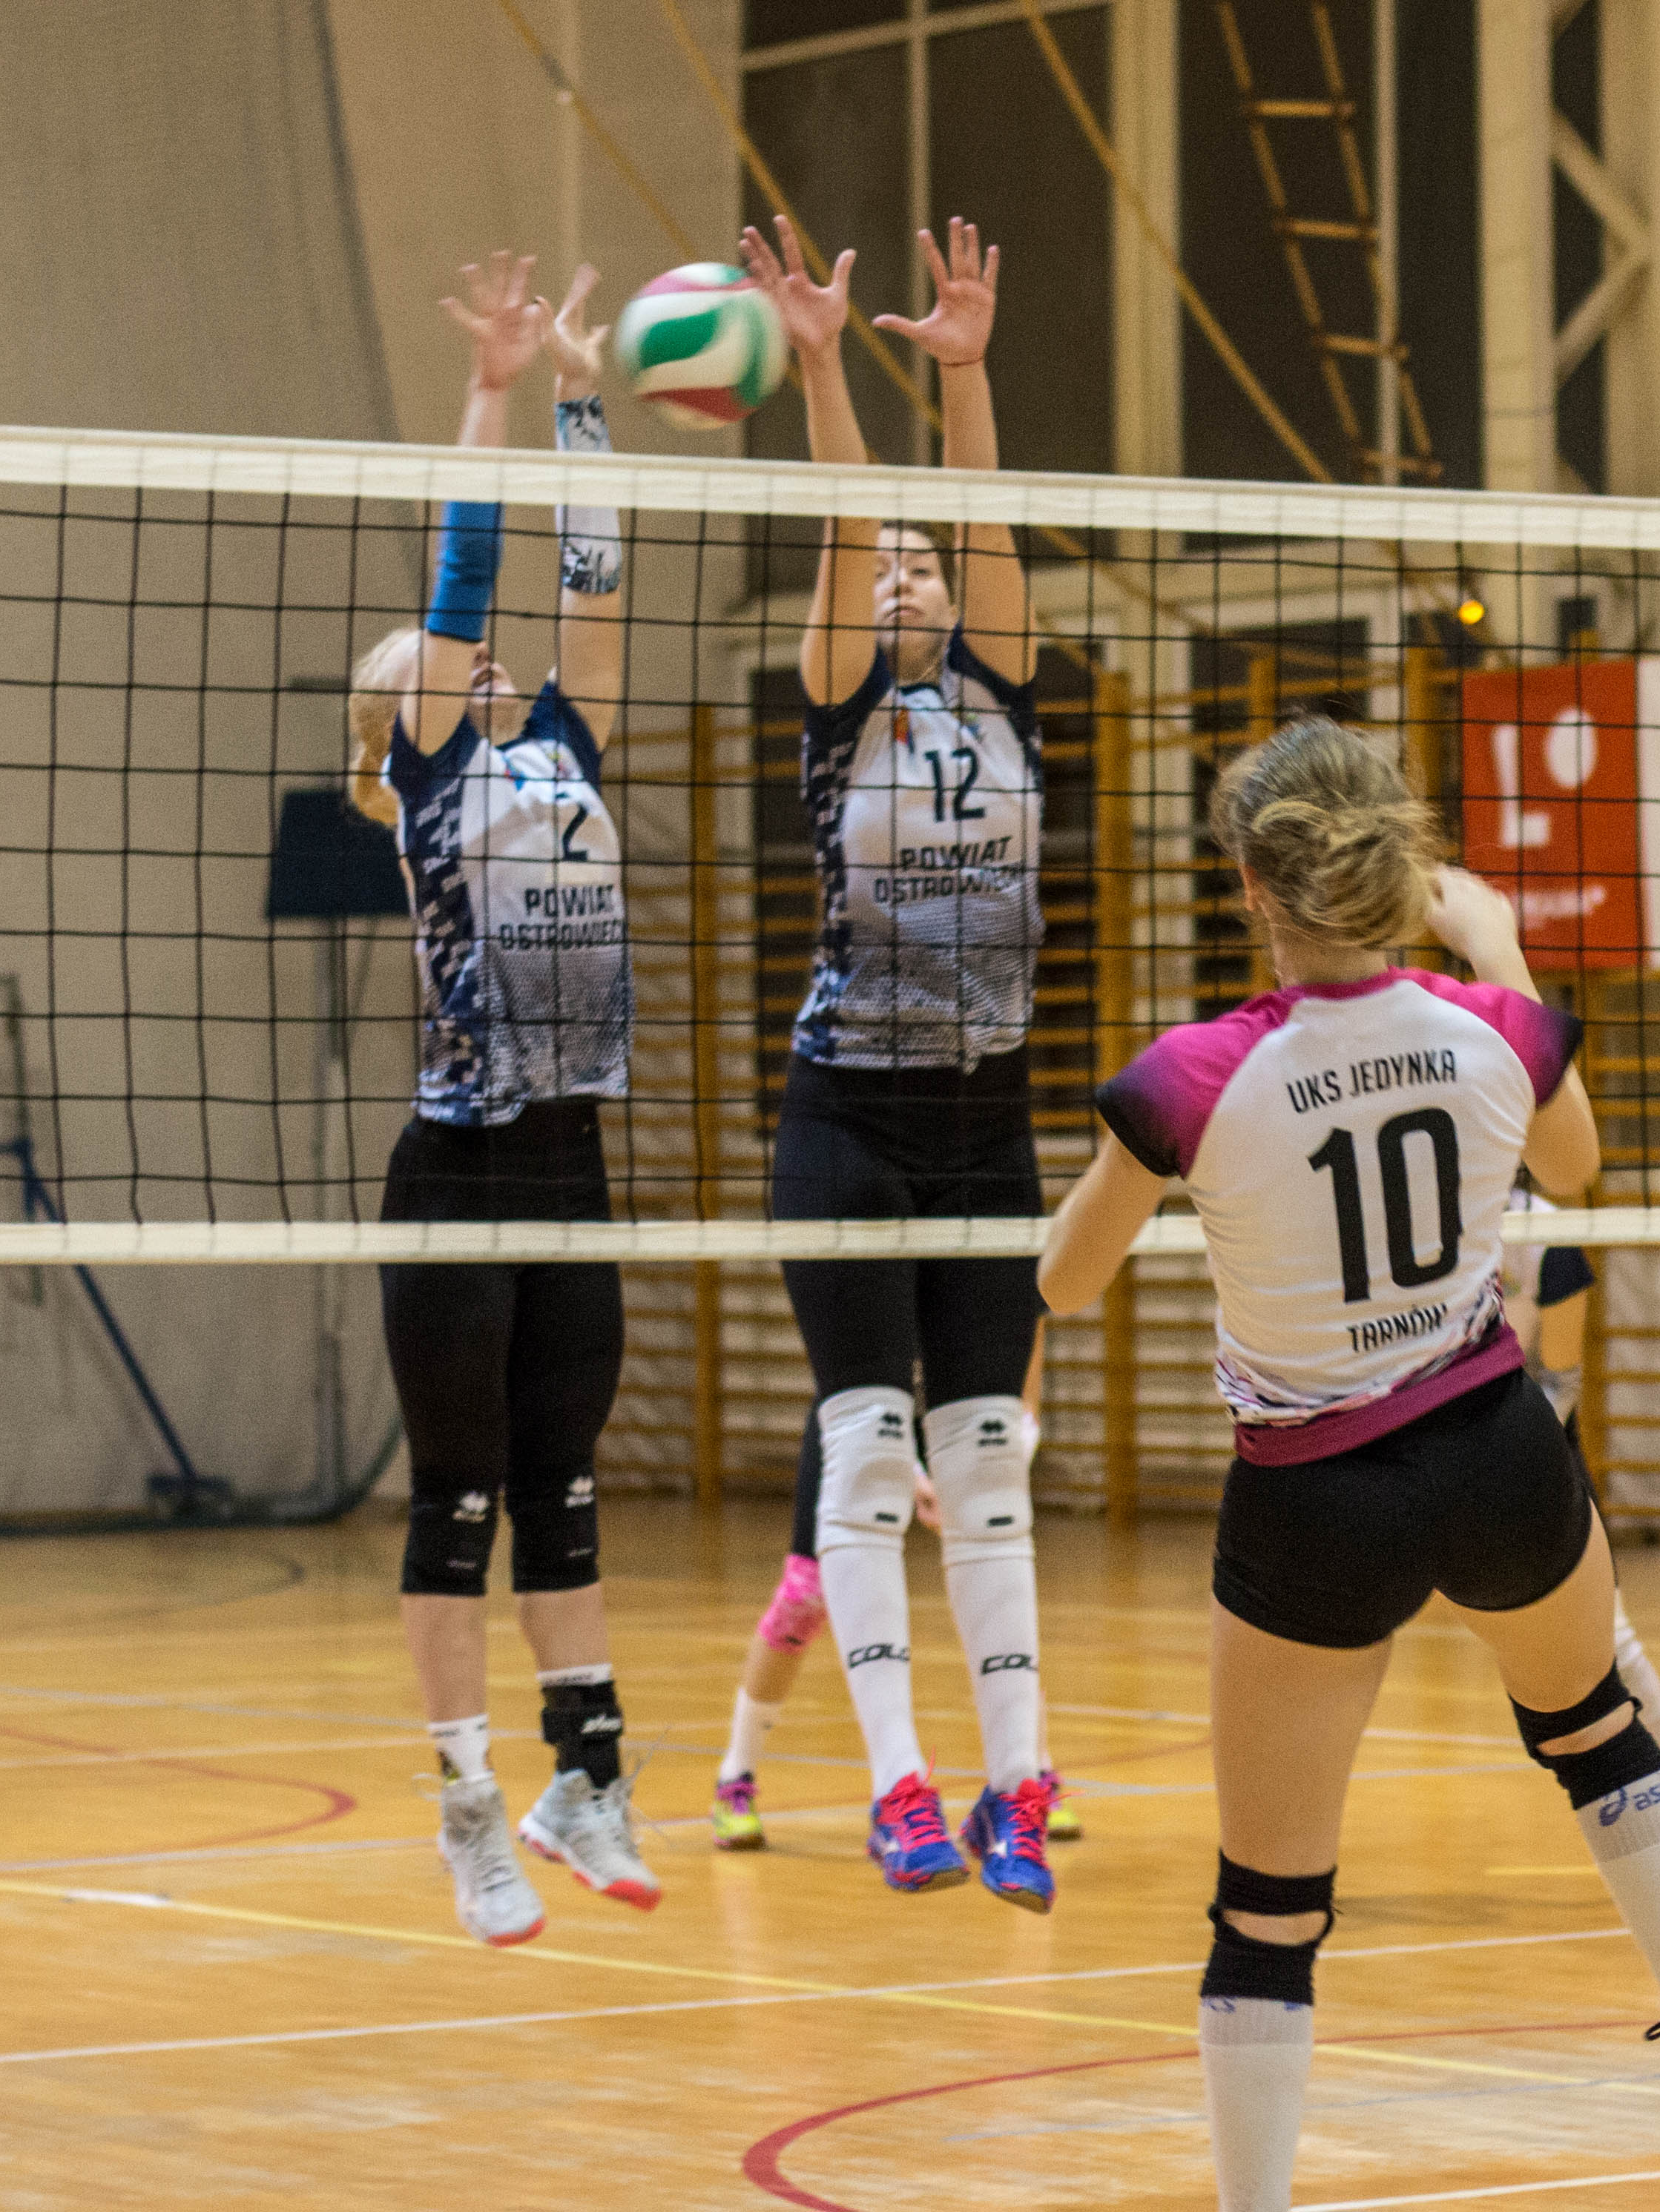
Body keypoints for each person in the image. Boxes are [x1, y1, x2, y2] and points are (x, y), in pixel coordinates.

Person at [1040, 719, 1660, 2212]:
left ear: (1250, 885)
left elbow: (1065, 1280)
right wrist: (1496, 942)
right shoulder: (1493, 1025)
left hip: (1315, 1495)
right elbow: (1574, 1169)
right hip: (1497, 1448)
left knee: (1270, 1901)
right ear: (1404, 872)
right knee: (1593, 1724)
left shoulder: (1192, 1074)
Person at [729, 214, 1058, 1906]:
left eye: (925, 564)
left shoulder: (1006, 688)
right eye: (888, 565)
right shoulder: (838, 706)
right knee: (866, 1460)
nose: (905, 573)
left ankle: (1019, 1786)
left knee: (988, 1470)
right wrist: (821, 367)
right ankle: (898, 1786)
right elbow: (848, 526)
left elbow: (982, 520)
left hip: (988, 1128)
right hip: (846, 1123)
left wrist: (969, 371)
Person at [343, 251, 654, 1947]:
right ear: (390, 721)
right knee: (457, 1503)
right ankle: (469, 1807)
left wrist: (583, 400)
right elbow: (466, 568)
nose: (467, 660)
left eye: (465, 658)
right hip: (456, 1173)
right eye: (431, 662)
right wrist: (488, 389)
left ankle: (584, 1778)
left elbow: (593, 584)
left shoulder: (566, 747)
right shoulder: (429, 776)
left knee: (567, 1491)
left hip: (572, 1168)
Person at [711, 1349, 1081, 1848]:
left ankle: (1032, 1769)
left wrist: (1020, 1430)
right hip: (862, 1413)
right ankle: (736, 1774)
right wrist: (907, 1468)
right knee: (806, 1596)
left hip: (965, 1410)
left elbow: (1027, 1332)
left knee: (993, 1589)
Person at [1500, 1194, 1660, 1906]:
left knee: (1614, 1654)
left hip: (1526, 1460)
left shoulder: (1547, 1237)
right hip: (1400, 1463)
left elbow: (1559, 1381)